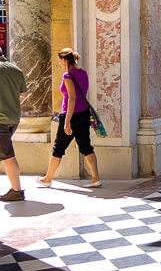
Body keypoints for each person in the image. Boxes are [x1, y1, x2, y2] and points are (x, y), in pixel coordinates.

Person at [37, 48, 102, 188]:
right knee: (86, 147)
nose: (59, 63)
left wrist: (67, 121)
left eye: (60, 61)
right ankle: (96, 178)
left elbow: (72, 98)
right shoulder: (83, 73)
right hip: (84, 114)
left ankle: (47, 179)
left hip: (70, 115)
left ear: (65, 60)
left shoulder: (67, 75)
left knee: (58, 148)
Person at [0, 48, 29, 202]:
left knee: (8, 155)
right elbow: (24, 94)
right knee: (4, 152)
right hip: (13, 118)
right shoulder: (15, 69)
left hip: (1, 119)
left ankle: (16, 190)